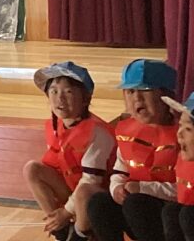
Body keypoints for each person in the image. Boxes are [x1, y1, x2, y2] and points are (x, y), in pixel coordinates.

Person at [87, 59, 180, 241]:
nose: (137, 98)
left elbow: (186, 187)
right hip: (136, 204)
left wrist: (142, 188)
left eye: (146, 90)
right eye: (130, 91)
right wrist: (117, 188)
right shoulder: (126, 130)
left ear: (167, 97)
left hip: (171, 211)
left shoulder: (185, 133)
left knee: (137, 203)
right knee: (99, 203)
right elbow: (120, 170)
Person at [22, 61, 115, 241]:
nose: (60, 99)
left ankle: (79, 235)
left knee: (85, 190)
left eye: (68, 92)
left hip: (97, 198)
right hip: (73, 192)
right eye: (54, 91)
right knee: (32, 169)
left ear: (86, 99)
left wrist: (65, 212)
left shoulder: (97, 132)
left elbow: (91, 181)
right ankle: (61, 230)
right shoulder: (55, 125)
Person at [162, 93, 194, 241]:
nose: (179, 134)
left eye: (188, 129)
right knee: (172, 211)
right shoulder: (183, 160)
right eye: (180, 126)